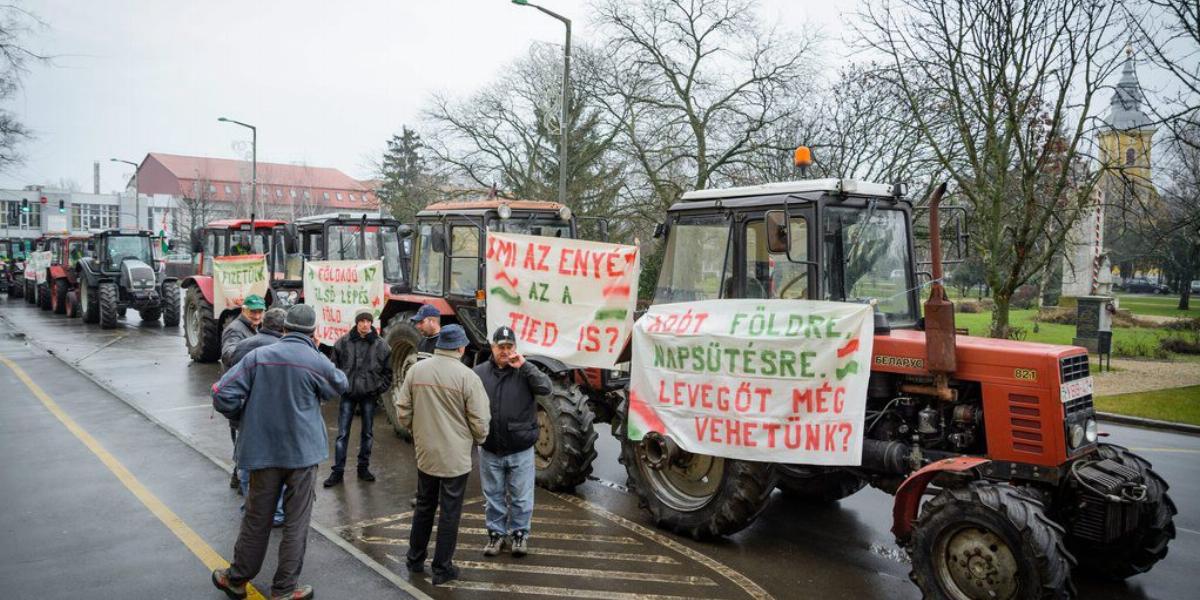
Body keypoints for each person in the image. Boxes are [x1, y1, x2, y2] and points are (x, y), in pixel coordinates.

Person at [211, 304, 348, 600]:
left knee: (257, 518)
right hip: (302, 455)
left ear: (284, 329)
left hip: (262, 453)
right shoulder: (316, 360)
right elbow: (340, 385)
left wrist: (245, 414)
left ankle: (236, 579)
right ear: (314, 334)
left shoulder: (259, 357)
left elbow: (223, 395)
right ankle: (284, 590)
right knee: (296, 524)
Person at [396, 324, 489, 585]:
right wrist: (478, 440)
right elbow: (480, 420)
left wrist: (415, 430)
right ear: (460, 348)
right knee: (449, 512)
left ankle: (414, 560)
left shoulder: (416, 370)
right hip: (455, 458)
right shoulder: (467, 377)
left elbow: (403, 409)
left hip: (426, 453)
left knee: (424, 505)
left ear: (439, 346)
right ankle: (441, 568)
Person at [475, 326, 551, 558]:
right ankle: (496, 535)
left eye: (510, 347)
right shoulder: (479, 373)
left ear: (515, 348)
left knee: (521, 497)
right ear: (493, 347)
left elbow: (546, 388)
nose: (505, 352)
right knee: (493, 496)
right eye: (501, 347)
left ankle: (520, 535)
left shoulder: (526, 372)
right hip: (490, 447)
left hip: (520, 448)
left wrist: (525, 366)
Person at [230, 307, 288, 525]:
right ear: (283, 328)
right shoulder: (283, 350)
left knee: (247, 465)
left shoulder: (242, 346)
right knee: (277, 466)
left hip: (248, 417)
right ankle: (277, 513)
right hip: (276, 416)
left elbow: (229, 384)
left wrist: (236, 413)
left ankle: (251, 507)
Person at [324, 309, 393, 488]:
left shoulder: (381, 345)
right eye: (361, 321)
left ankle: (363, 468)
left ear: (371, 323)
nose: (365, 324)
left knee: (368, 433)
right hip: (348, 395)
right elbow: (333, 369)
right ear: (357, 322)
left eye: (368, 321)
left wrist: (377, 390)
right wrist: (341, 387)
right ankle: (337, 471)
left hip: (369, 396)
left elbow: (388, 373)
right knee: (342, 434)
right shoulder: (343, 343)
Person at [221, 294, 266, 490]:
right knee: (242, 440)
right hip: (239, 395)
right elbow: (229, 355)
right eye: (253, 312)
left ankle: (237, 477)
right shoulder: (235, 330)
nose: (256, 316)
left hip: (248, 392)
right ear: (243, 311)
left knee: (245, 440)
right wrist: (254, 352)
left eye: (259, 312)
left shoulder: (255, 328)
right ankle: (241, 480)